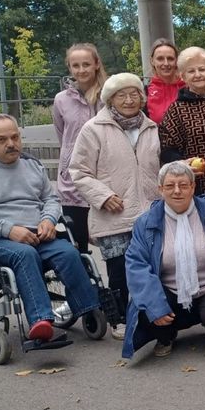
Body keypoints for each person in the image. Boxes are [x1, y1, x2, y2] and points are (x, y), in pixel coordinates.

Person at [0, 113, 99, 346]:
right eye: (1, 140)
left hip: (38, 232)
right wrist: (10, 229)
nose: (11, 144)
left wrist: (49, 219)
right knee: (25, 254)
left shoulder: (32, 164)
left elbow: (50, 198)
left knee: (69, 252)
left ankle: (89, 308)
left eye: (15, 137)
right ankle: (40, 321)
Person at [122, 162, 205, 359]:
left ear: (193, 187)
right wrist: (155, 305)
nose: (177, 191)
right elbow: (137, 265)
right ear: (160, 189)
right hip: (169, 290)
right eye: (170, 186)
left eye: (183, 185)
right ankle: (165, 336)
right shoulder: (145, 223)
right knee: (147, 307)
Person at [70, 73, 160, 338]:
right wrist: (102, 196)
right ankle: (119, 318)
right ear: (110, 99)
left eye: (134, 94)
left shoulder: (151, 127)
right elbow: (78, 171)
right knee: (119, 269)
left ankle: (150, 312)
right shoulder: (93, 129)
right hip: (113, 212)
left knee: (150, 266)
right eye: (122, 95)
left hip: (148, 210)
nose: (129, 100)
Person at [158, 46, 205, 208]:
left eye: (202, 69)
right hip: (197, 183)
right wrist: (182, 162)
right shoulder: (176, 110)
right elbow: (167, 149)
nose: (198, 75)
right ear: (183, 76)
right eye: (191, 71)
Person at [52, 42, 107, 252]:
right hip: (72, 185)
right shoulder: (61, 100)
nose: (81, 70)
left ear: (96, 64)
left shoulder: (109, 97)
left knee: (113, 247)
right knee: (77, 247)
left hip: (106, 179)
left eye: (86, 64)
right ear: (70, 68)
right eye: (76, 65)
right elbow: (62, 136)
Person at [145, 38, 185, 123]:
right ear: (152, 61)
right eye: (160, 59)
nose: (166, 63)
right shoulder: (145, 92)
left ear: (176, 61)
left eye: (170, 58)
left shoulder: (188, 88)